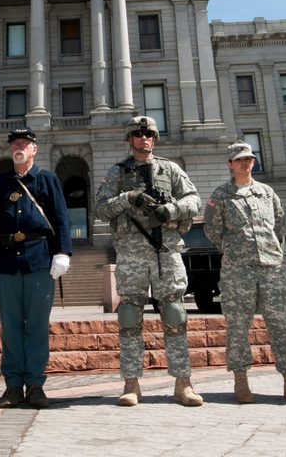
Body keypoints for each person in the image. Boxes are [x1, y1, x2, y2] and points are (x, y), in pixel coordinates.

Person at [94, 116, 203, 407]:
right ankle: (131, 384)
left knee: (175, 315)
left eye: (148, 134)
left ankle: (183, 384)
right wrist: (128, 198)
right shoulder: (117, 172)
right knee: (129, 316)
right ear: (130, 139)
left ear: (154, 138)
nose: (144, 138)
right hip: (131, 252)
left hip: (166, 250)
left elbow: (195, 201)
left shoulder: (171, 169)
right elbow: (102, 210)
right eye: (138, 134)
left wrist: (171, 210)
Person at [204, 142, 286, 404]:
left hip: (272, 269)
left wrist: (274, 253)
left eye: (249, 159)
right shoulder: (220, 195)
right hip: (237, 271)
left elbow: (279, 225)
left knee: (281, 326)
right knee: (237, 327)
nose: (245, 163)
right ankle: (241, 381)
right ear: (230, 164)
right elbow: (212, 229)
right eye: (239, 159)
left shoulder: (267, 193)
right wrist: (234, 249)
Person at [0, 127, 71, 409]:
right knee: (11, 327)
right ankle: (14, 385)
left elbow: (61, 217)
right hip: (6, 263)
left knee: (37, 327)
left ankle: (36, 385)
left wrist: (62, 252)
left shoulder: (47, 179)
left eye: (24, 143)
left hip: (39, 260)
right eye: (15, 143)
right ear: (10, 150)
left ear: (34, 149)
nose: (19, 146)